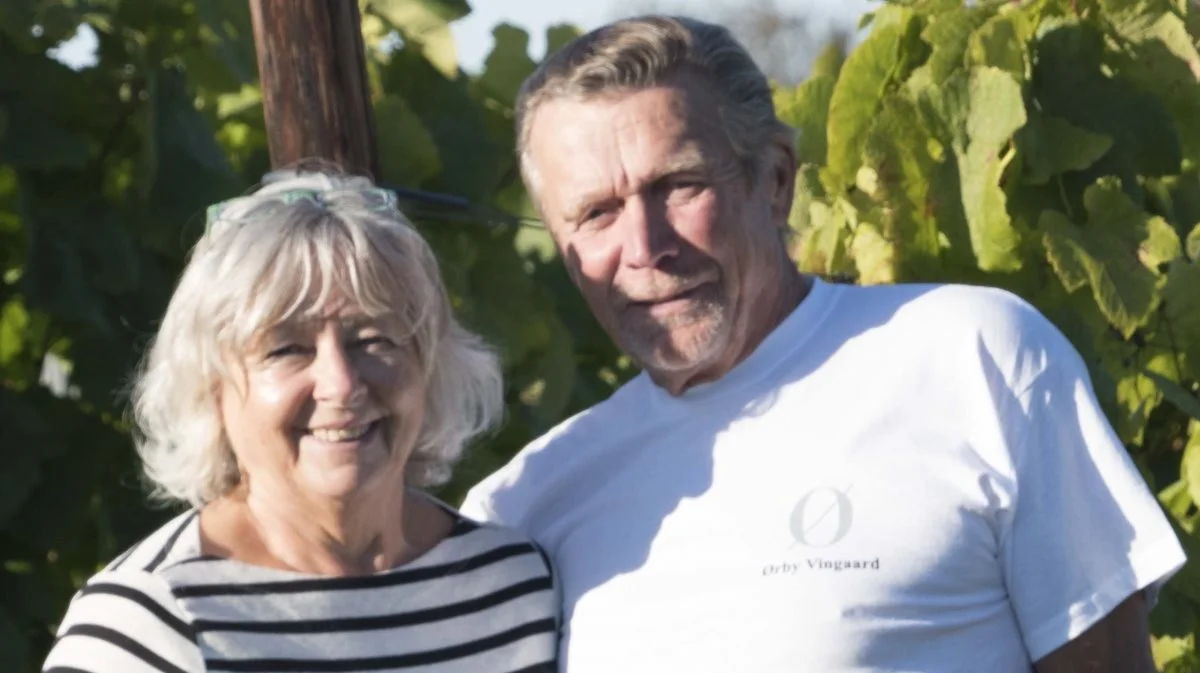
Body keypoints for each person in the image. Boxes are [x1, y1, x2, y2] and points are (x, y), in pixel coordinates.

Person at [460, 15, 1185, 673]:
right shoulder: (527, 506)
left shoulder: (973, 357)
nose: (645, 246)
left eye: (678, 185)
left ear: (775, 179)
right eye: (596, 213)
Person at [43, 167, 559, 673]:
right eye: (287, 349)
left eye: (373, 339)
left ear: (429, 364)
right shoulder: (147, 623)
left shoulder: (511, 583)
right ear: (212, 388)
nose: (341, 383)